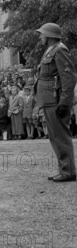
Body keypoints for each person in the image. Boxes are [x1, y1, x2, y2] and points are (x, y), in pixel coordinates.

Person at [35, 23, 77, 182]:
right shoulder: (50, 50)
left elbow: (69, 78)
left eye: (42, 34)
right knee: (54, 136)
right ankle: (64, 169)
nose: (40, 37)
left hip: (56, 100)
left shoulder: (59, 50)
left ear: (50, 36)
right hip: (49, 99)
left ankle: (68, 171)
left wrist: (65, 102)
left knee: (60, 136)